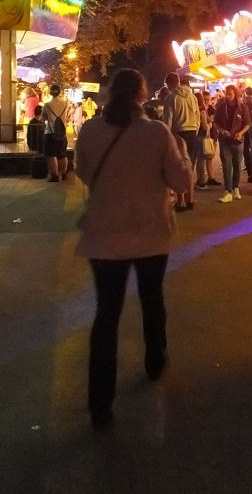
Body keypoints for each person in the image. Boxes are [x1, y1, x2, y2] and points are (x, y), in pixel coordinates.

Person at [74, 69, 191, 429]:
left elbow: (82, 171)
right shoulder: (156, 132)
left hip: (104, 235)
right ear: (142, 94)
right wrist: (182, 155)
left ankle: (100, 403)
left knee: (106, 316)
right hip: (150, 232)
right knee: (152, 298)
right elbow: (182, 180)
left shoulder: (91, 130)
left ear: (110, 94)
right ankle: (155, 359)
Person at [161, 73, 200, 211]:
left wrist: (168, 136)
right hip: (192, 133)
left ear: (169, 84)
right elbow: (198, 115)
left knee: (177, 167)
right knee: (189, 167)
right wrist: (195, 129)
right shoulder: (193, 97)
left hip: (178, 133)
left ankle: (181, 201)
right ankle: (191, 198)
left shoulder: (171, 98)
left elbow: (168, 120)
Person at [213, 84, 249, 203]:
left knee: (237, 165)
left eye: (230, 94)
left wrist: (241, 133)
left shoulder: (242, 107)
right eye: (227, 94)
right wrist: (222, 131)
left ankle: (235, 188)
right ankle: (227, 191)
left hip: (238, 141)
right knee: (227, 166)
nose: (228, 96)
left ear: (235, 94)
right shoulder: (221, 107)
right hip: (225, 141)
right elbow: (216, 123)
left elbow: (247, 124)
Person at [42, 84, 70, 182]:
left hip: (50, 133)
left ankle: (54, 176)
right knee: (63, 154)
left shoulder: (47, 105)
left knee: (51, 155)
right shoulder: (66, 103)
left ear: (50, 92)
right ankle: (64, 174)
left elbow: (43, 118)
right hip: (62, 133)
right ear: (60, 92)